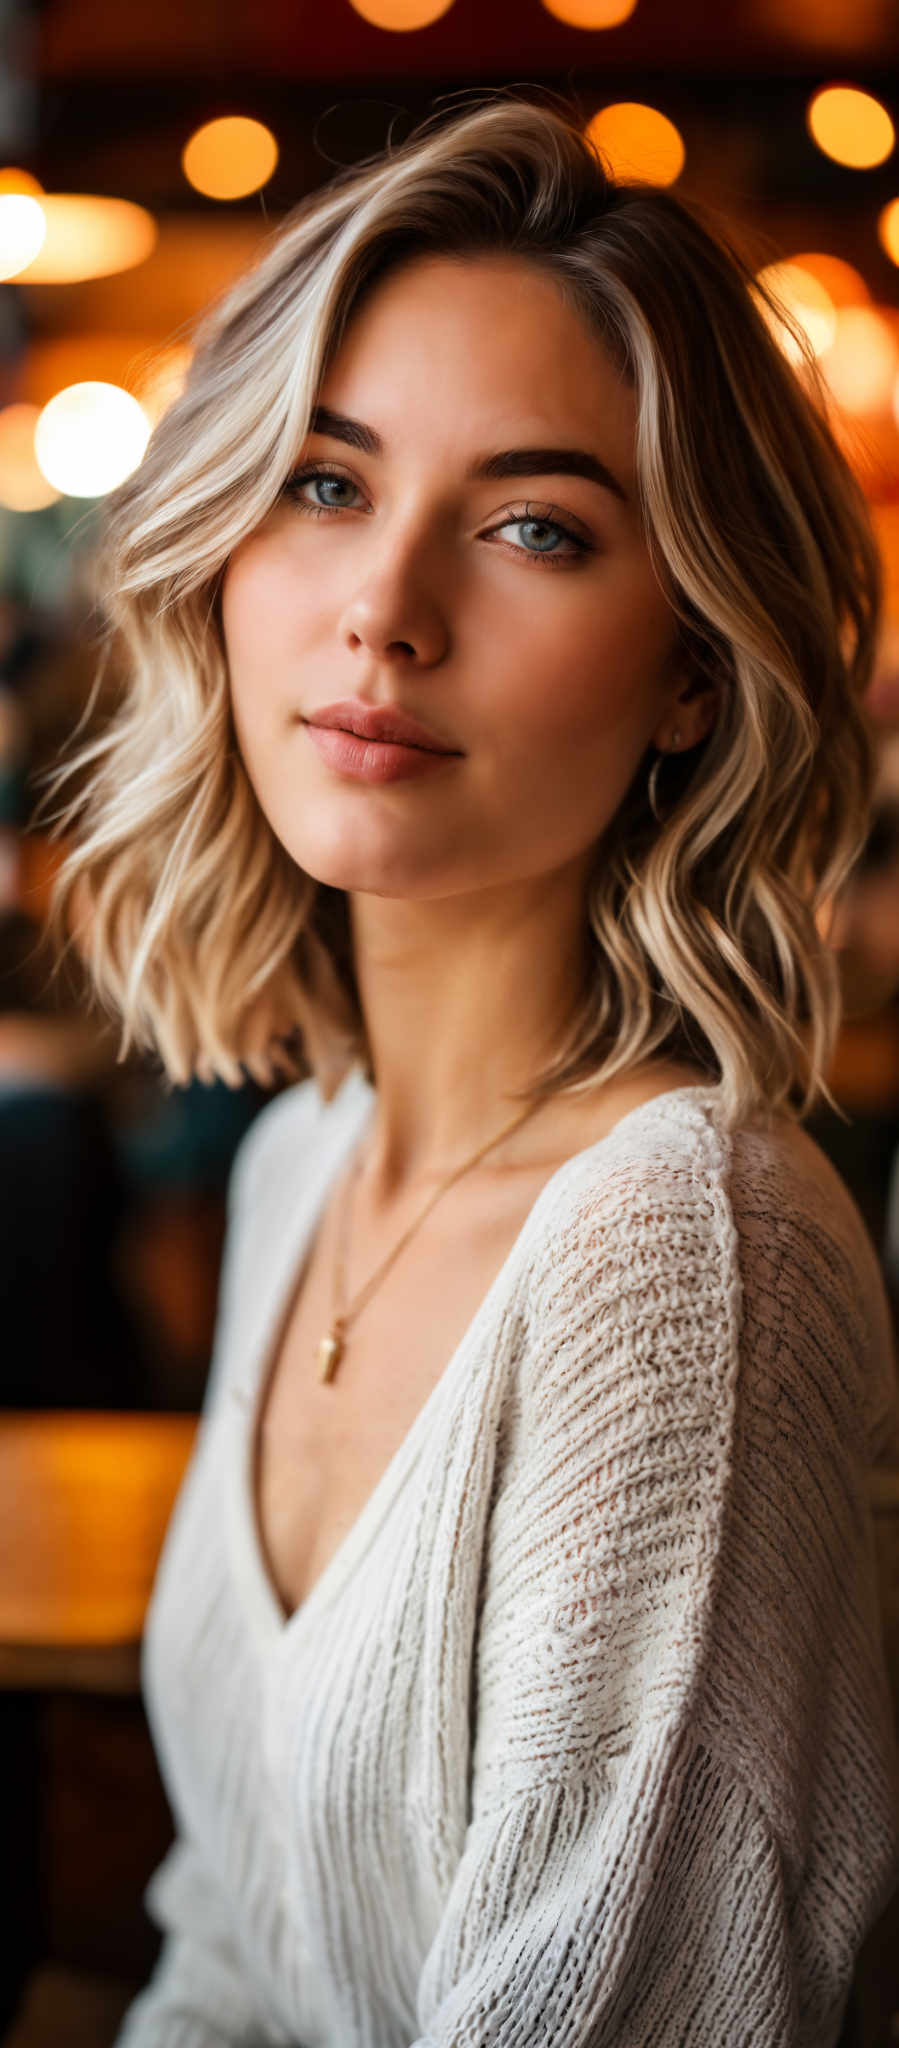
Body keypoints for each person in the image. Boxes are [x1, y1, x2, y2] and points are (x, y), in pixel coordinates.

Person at [42, 91, 899, 2048]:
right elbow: (235, 1956)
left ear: (695, 666)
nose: (386, 610)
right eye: (326, 485)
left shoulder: (690, 1254)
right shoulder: (303, 1163)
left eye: (535, 526)